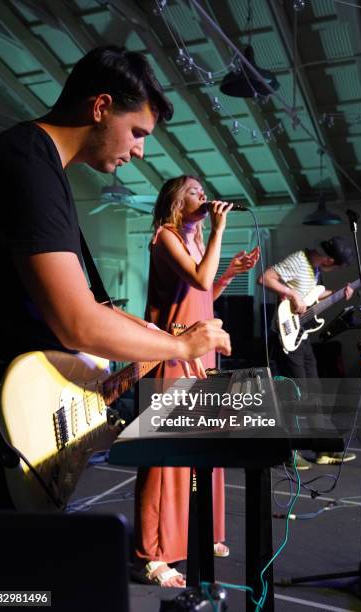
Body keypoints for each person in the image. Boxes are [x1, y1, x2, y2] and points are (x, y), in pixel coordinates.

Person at [0, 46, 232, 509]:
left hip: (16, 409)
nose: (139, 150)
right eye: (137, 132)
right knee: (8, 582)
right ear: (100, 108)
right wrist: (181, 346)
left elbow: (94, 307)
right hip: (1, 415)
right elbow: (78, 324)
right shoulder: (26, 164)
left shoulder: (43, 169)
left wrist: (152, 332)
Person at [134, 175, 260, 587]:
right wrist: (221, 230)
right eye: (193, 191)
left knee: (202, 448)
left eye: (204, 191)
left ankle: (196, 532)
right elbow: (200, 281)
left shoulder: (193, 242)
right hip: (172, 351)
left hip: (199, 351)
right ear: (174, 199)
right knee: (166, 457)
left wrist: (230, 273)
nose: (203, 196)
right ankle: (152, 554)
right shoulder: (166, 236)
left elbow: (204, 291)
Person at [257, 236, 357, 469]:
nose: (334, 268)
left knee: (314, 391)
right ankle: (287, 452)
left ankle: (323, 448)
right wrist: (291, 295)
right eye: (337, 265)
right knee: (293, 394)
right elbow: (265, 278)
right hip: (285, 335)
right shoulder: (298, 260)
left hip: (301, 336)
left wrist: (338, 293)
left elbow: (311, 295)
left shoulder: (314, 269)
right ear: (330, 259)